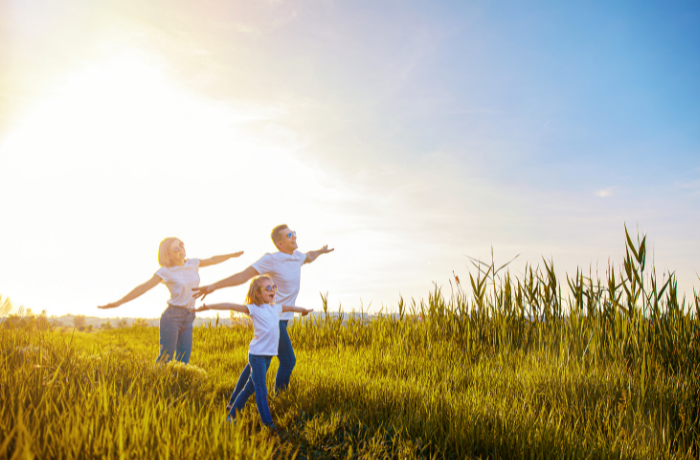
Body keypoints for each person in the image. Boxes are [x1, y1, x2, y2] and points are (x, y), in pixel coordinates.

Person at [193, 224, 333, 408]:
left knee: (260, 360)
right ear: (280, 243)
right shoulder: (272, 259)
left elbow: (310, 256)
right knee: (288, 360)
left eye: (294, 233)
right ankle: (280, 400)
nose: (294, 236)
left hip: (282, 317)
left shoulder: (297, 257)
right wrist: (213, 286)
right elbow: (243, 276)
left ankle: (233, 402)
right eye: (290, 235)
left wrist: (321, 251)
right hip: (271, 317)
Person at [97, 237, 243, 363]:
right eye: (175, 248)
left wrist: (231, 255)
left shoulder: (192, 263)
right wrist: (119, 302)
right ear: (168, 255)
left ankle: (176, 388)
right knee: (166, 358)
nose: (181, 249)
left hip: (189, 316)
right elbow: (144, 287)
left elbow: (213, 259)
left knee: (184, 359)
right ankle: (157, 388)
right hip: (172, 317)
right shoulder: (166, 271)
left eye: (181, 244)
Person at [195, 275, 311, 429]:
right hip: (256, 356)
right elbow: (231, 305)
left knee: (249, 388)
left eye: (274, 287)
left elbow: (290, 308)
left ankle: (230, 418)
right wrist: (208, 306)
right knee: (261, 390)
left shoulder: (275, 308)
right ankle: (269, 425)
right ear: (257, 293)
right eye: (268, 288)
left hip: (267, 356)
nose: (273, 290)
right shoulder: (253, 309)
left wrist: (302, 310)